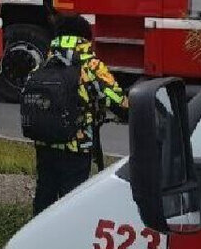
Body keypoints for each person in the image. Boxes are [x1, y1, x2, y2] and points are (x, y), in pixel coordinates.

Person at [31, 15, 128, 215]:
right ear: (86, 38)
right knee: (72, 199)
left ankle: (38, 237)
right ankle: (68, 240)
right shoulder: (90, 65)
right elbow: (118, 102)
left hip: (44, 140)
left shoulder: (46, 61)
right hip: (76, 145)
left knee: (45, 192)